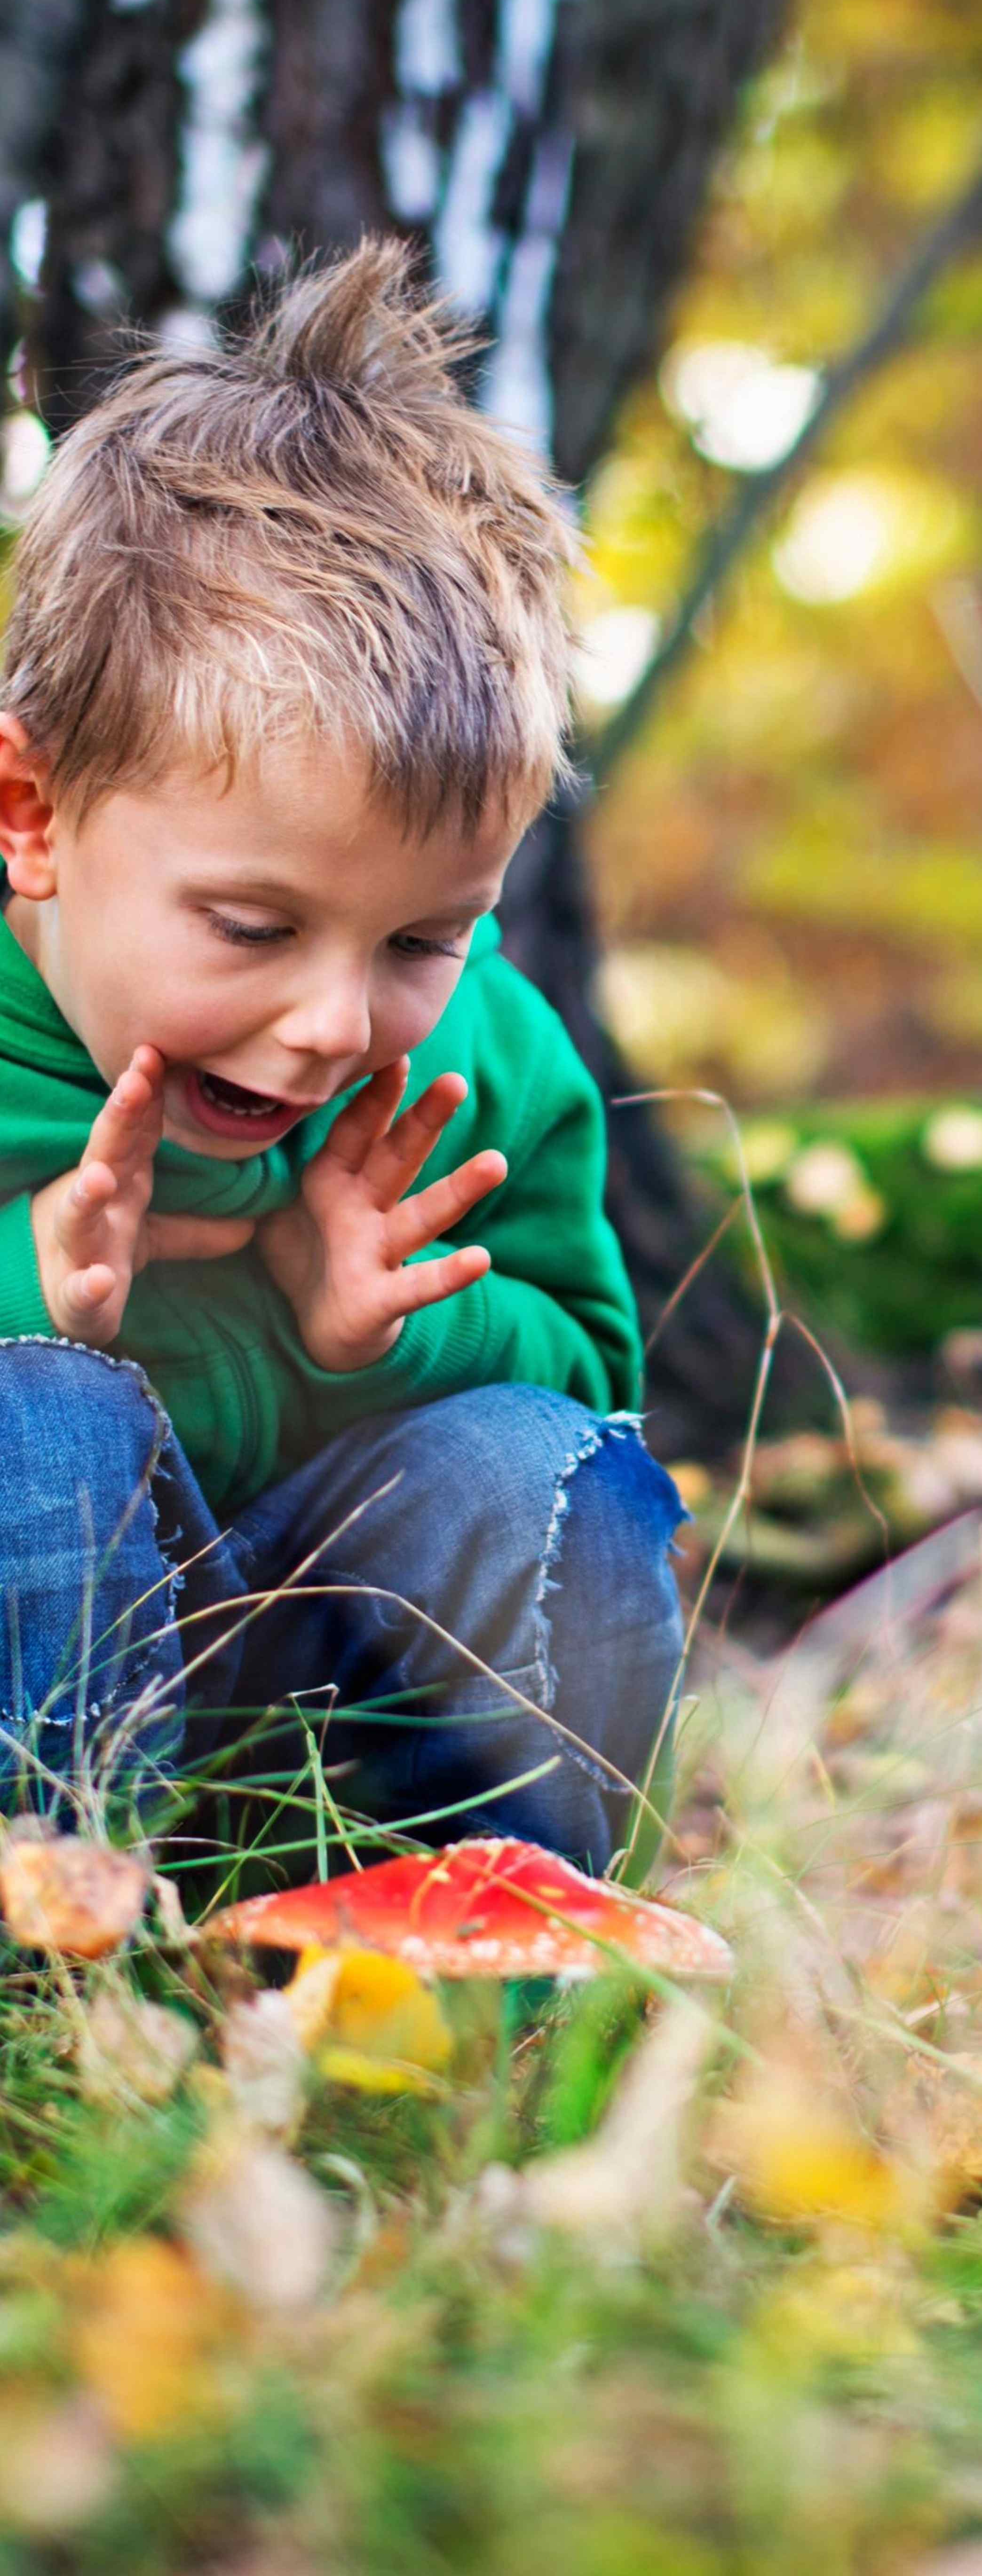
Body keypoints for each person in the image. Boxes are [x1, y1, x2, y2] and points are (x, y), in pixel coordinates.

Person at [0, 243, 686, 1876]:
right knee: (39, 1420)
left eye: (417, 942)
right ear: (31, 815)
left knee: (540, 1470)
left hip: (314, 1711)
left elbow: (596, 1385)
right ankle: (55, 1974)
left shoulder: (477, 1061)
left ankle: (475, 1969)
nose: (331, 1025)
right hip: (38, 1700)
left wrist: (373, 1332)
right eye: (251, 925)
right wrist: (34, 1287)